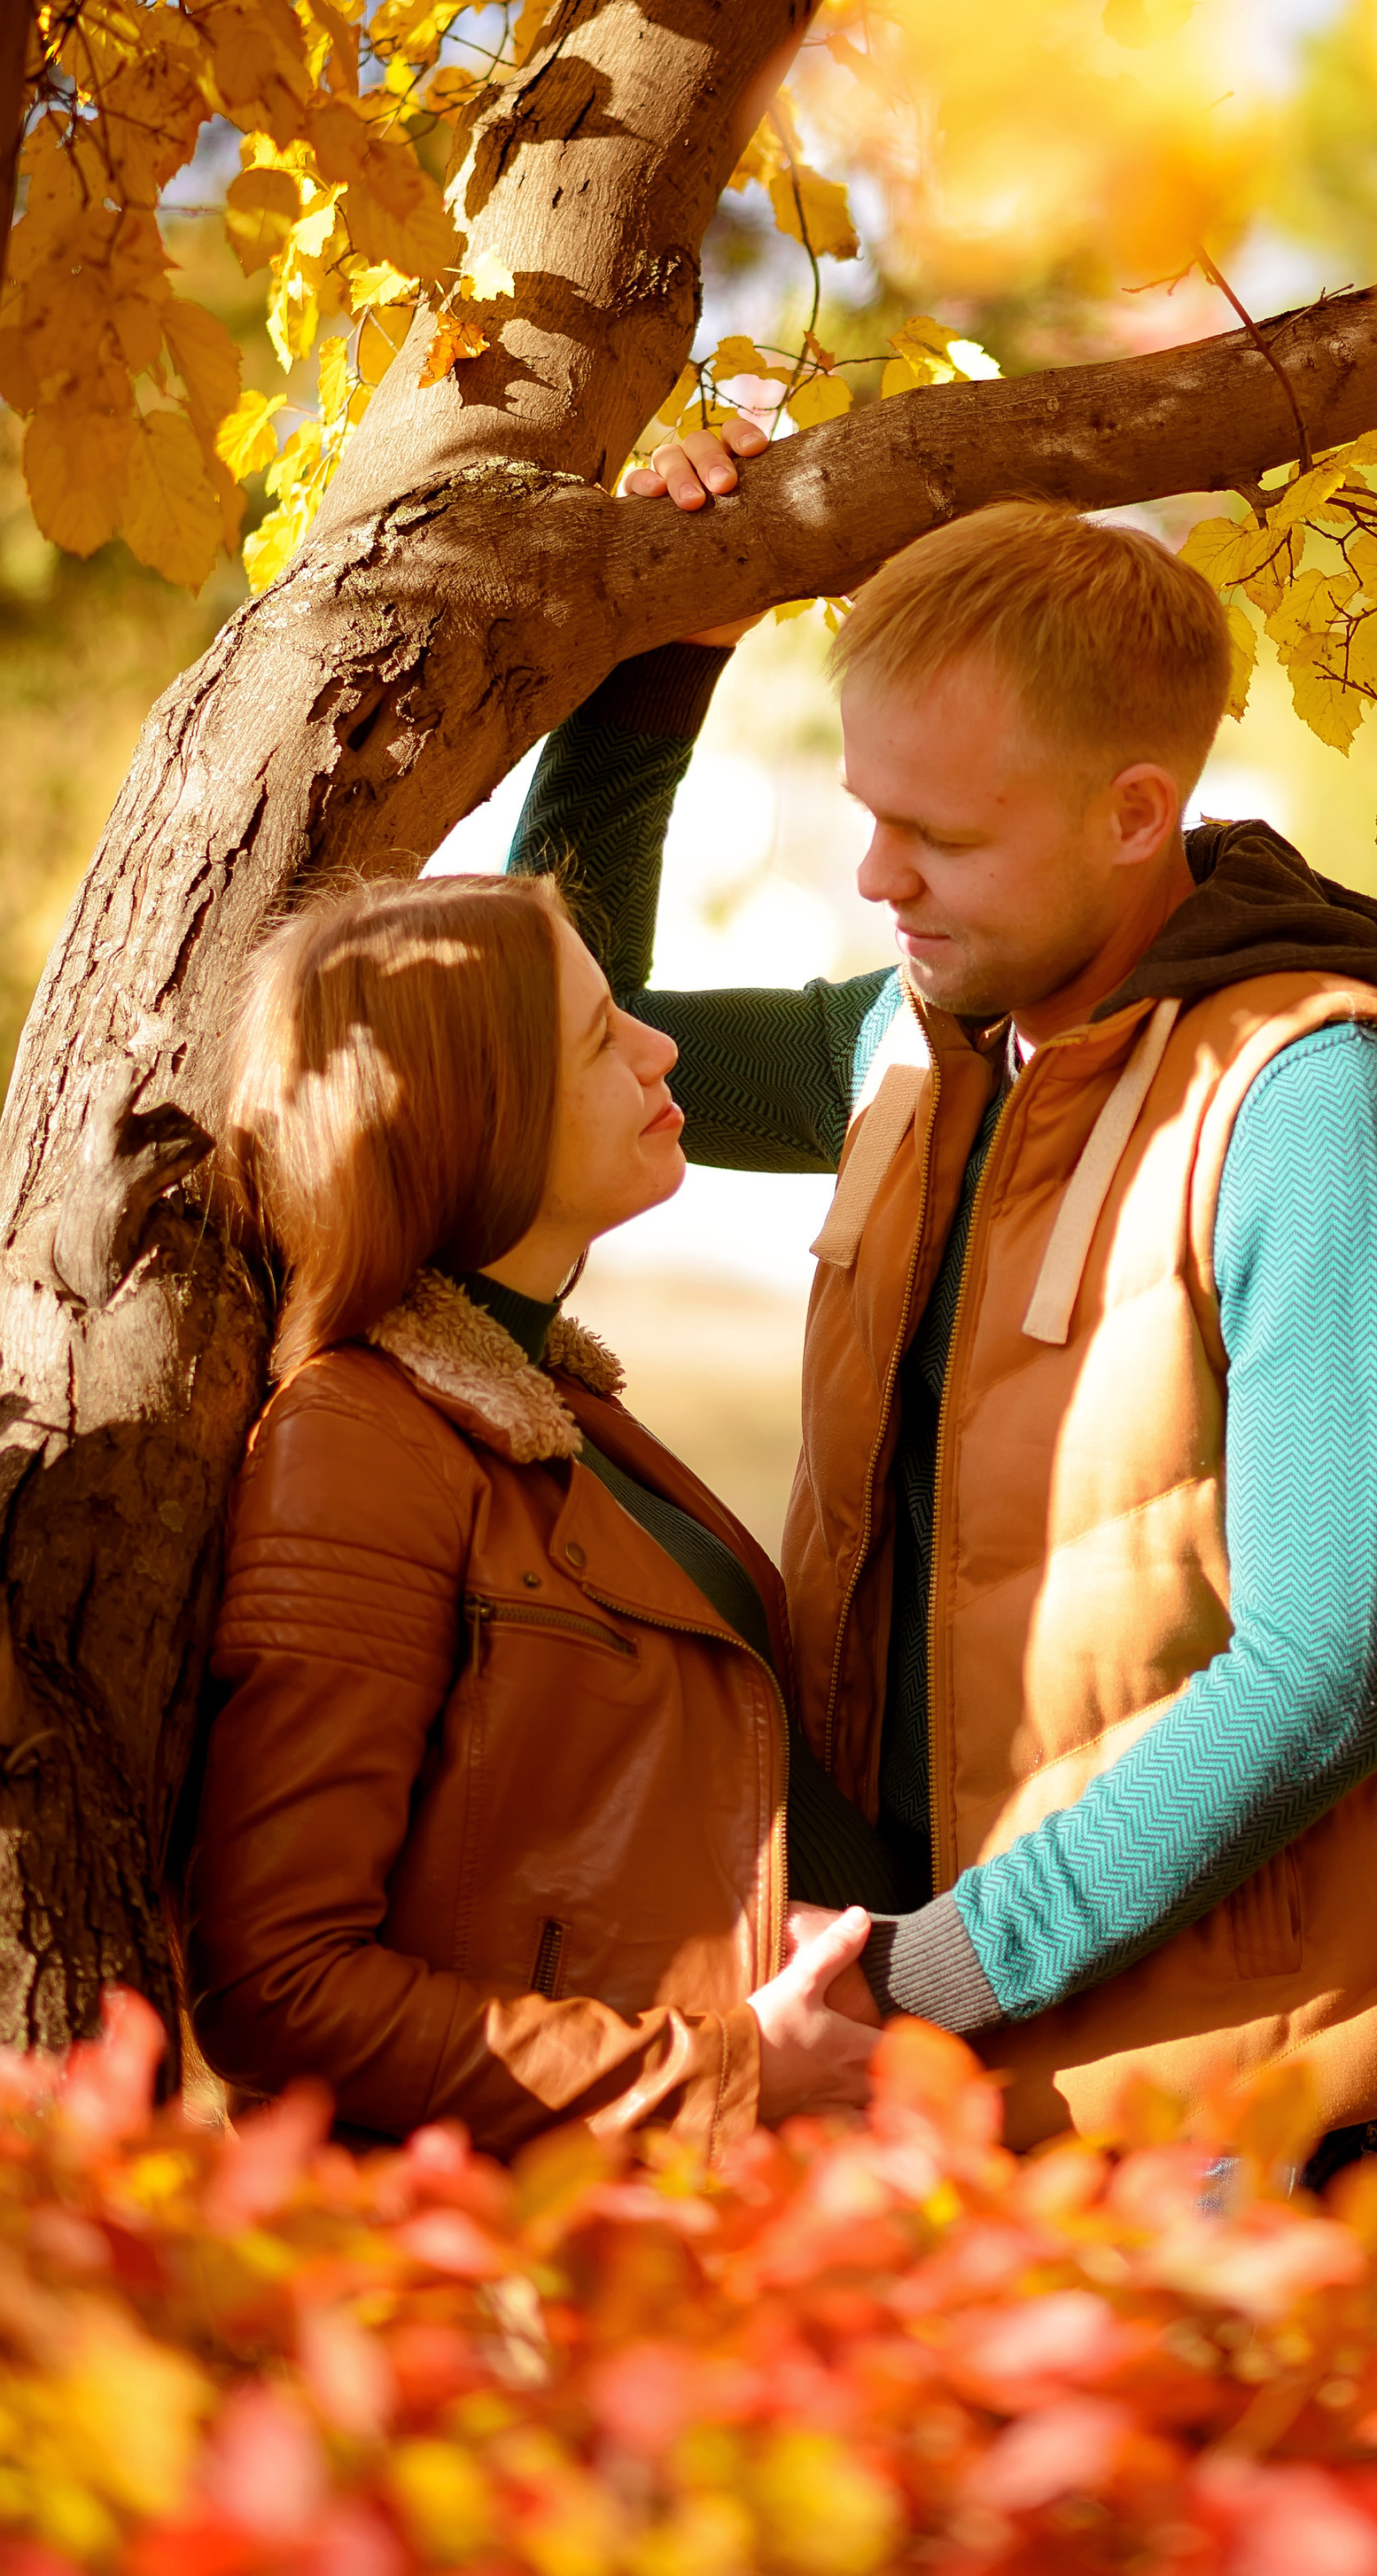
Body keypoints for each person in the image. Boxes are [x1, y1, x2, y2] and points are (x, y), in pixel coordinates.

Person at [510, 489, 1377, 2181]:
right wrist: (659, 662)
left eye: (942, 835)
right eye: (869, 812)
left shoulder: (1316, 1112)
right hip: (895, 2059)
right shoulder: (911, 1048)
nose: (876, 874)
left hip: (1196, 2119)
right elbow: (552, 1037)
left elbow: (1323, 1675)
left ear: (1136, 812)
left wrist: (928, 1972)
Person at [185, 870, 887, 2159]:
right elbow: (274, 1986)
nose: (661, 1046)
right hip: (536, 2231)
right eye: (599, 1036)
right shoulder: (358, 1440)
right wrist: (719, 2076)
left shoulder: (548, 1391)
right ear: (485, 1115)